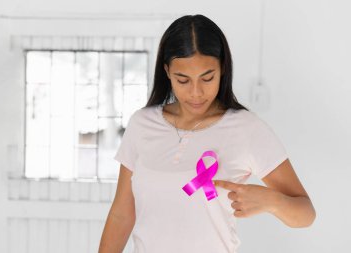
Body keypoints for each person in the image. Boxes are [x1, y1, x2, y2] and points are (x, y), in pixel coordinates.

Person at [98, 14, 316, 253]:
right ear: (167, 71)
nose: (196, 92)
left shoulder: (247, 128)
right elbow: (121, 214)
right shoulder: (142, 124)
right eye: (183, 80)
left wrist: (272, 201)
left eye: (207, 78)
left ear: (222, 69)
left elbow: (305, 214)